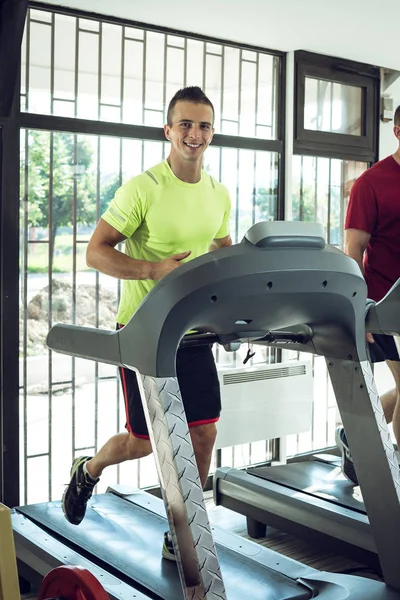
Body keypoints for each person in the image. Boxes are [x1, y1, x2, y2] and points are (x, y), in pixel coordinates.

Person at [61, 86, 232, 559]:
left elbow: (221, 249)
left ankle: (183, 534)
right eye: (185, 125)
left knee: (204, 432)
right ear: (168, 130)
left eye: (203, 125)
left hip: (193, 332)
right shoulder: (144, 188)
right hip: (144, 332)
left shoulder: (219, 193)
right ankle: (89, 469)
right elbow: (97, 251)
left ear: (211, 133)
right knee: (142, 440)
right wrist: (153, 269)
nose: (194, 134)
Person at [336, 104, 400, 485]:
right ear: (397, 131)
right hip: (387, 306)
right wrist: (358, 311)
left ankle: (351, 436)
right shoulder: (372, 183)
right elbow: (353, 251)